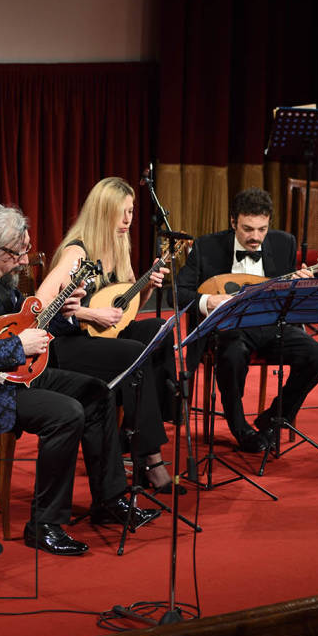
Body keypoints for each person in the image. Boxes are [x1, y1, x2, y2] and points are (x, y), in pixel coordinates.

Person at [0, 203, 158, 556]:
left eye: (25, 250)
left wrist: (66, 317)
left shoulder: (0, 278)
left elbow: (29, 324)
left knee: (96, 393)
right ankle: (44, 525)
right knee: (65, 413)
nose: (24, 260)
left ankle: (109, 500)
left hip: (8, 377)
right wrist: (17, 347)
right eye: (17, 253)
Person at [36, 177, 183, 494]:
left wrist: (147, 287)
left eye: (132, 211)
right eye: (122, 212)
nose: (129, 220)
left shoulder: (120, 246)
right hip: (69, 344)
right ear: (103, 212)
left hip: (107, 336)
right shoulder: (77, 253)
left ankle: (140, 429)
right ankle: (150, 457)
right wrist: (90, 313)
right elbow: (40, 305)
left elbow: (125, 309)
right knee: (133, 352)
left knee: (158, 330)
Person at [175, 187, 318, 453]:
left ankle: (273, 418)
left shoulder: (284, 243)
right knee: (232, 355)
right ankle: (240, 428)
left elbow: (287, 295)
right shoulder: (206, 246)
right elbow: (178, 292)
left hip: (271, 326)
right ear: (233, 221)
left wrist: (299, 285)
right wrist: (208, 301)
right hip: (228, 329)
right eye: (248, 229)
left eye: (262, 229)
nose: (256, 237)